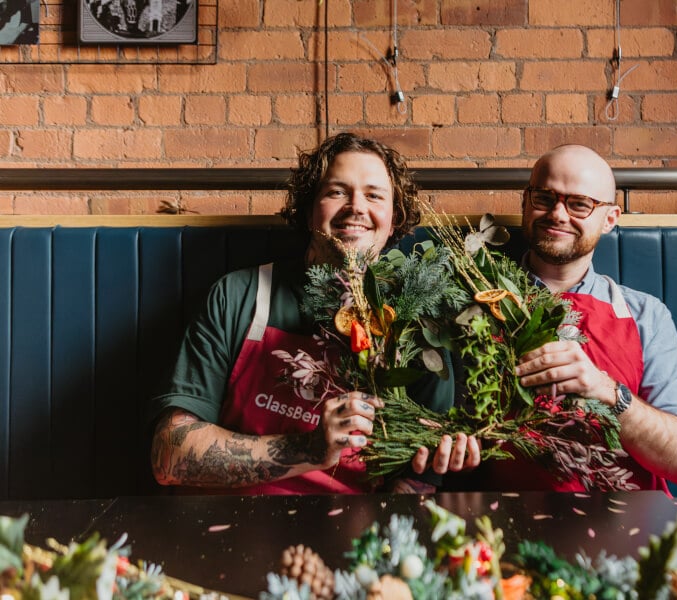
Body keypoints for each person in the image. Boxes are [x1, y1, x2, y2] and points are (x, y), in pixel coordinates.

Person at [150, 132, 478, 495]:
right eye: (337, 191)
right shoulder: (240, 295)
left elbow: (416, 480)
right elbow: (169, 455)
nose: (356, 207)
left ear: (394, 218)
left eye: (374, 195)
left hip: (353, 537)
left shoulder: (416, 320)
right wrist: (310, 449)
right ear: (309, 211)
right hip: (231, 525)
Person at [478, 144, 677, 493]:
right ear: (526, 202)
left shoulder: (646, 316)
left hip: (629, 530)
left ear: (610, 219)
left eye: (579, 204)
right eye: (544, 198)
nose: (558, 214)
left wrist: (606, 390)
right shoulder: (474, 302)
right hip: (504, 527)